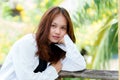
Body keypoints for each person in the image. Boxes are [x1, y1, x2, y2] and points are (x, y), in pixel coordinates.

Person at [0, 6, 86, 80]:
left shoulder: (57, 49)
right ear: (45, 25)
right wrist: (52, 70)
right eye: (53, 26)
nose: (57, 31)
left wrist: (67, 41)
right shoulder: (27, 43)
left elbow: (79, 65)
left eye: (63, 28)